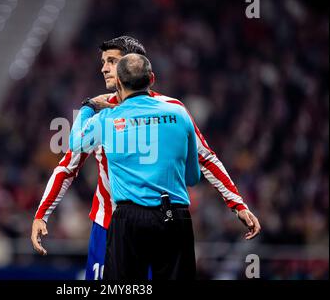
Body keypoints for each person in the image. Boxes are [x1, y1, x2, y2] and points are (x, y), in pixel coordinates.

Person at [31, 36, 261, 280]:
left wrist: (237, 204)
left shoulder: (107, 116)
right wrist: (42, 214)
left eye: (112, 61)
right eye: (103, 62)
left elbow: (207, 158)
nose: (105, 68)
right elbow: (68, 166)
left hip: (135, 222)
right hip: (111, 225)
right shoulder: (168, 111)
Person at [70, 53, 202, 279]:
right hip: (175, 217)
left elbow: (75, 143)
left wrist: (89, 107)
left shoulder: (108, 119)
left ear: (118, 83)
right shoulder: (180, 113)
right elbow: (192, 177)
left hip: (129, 219)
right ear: (151, 78)